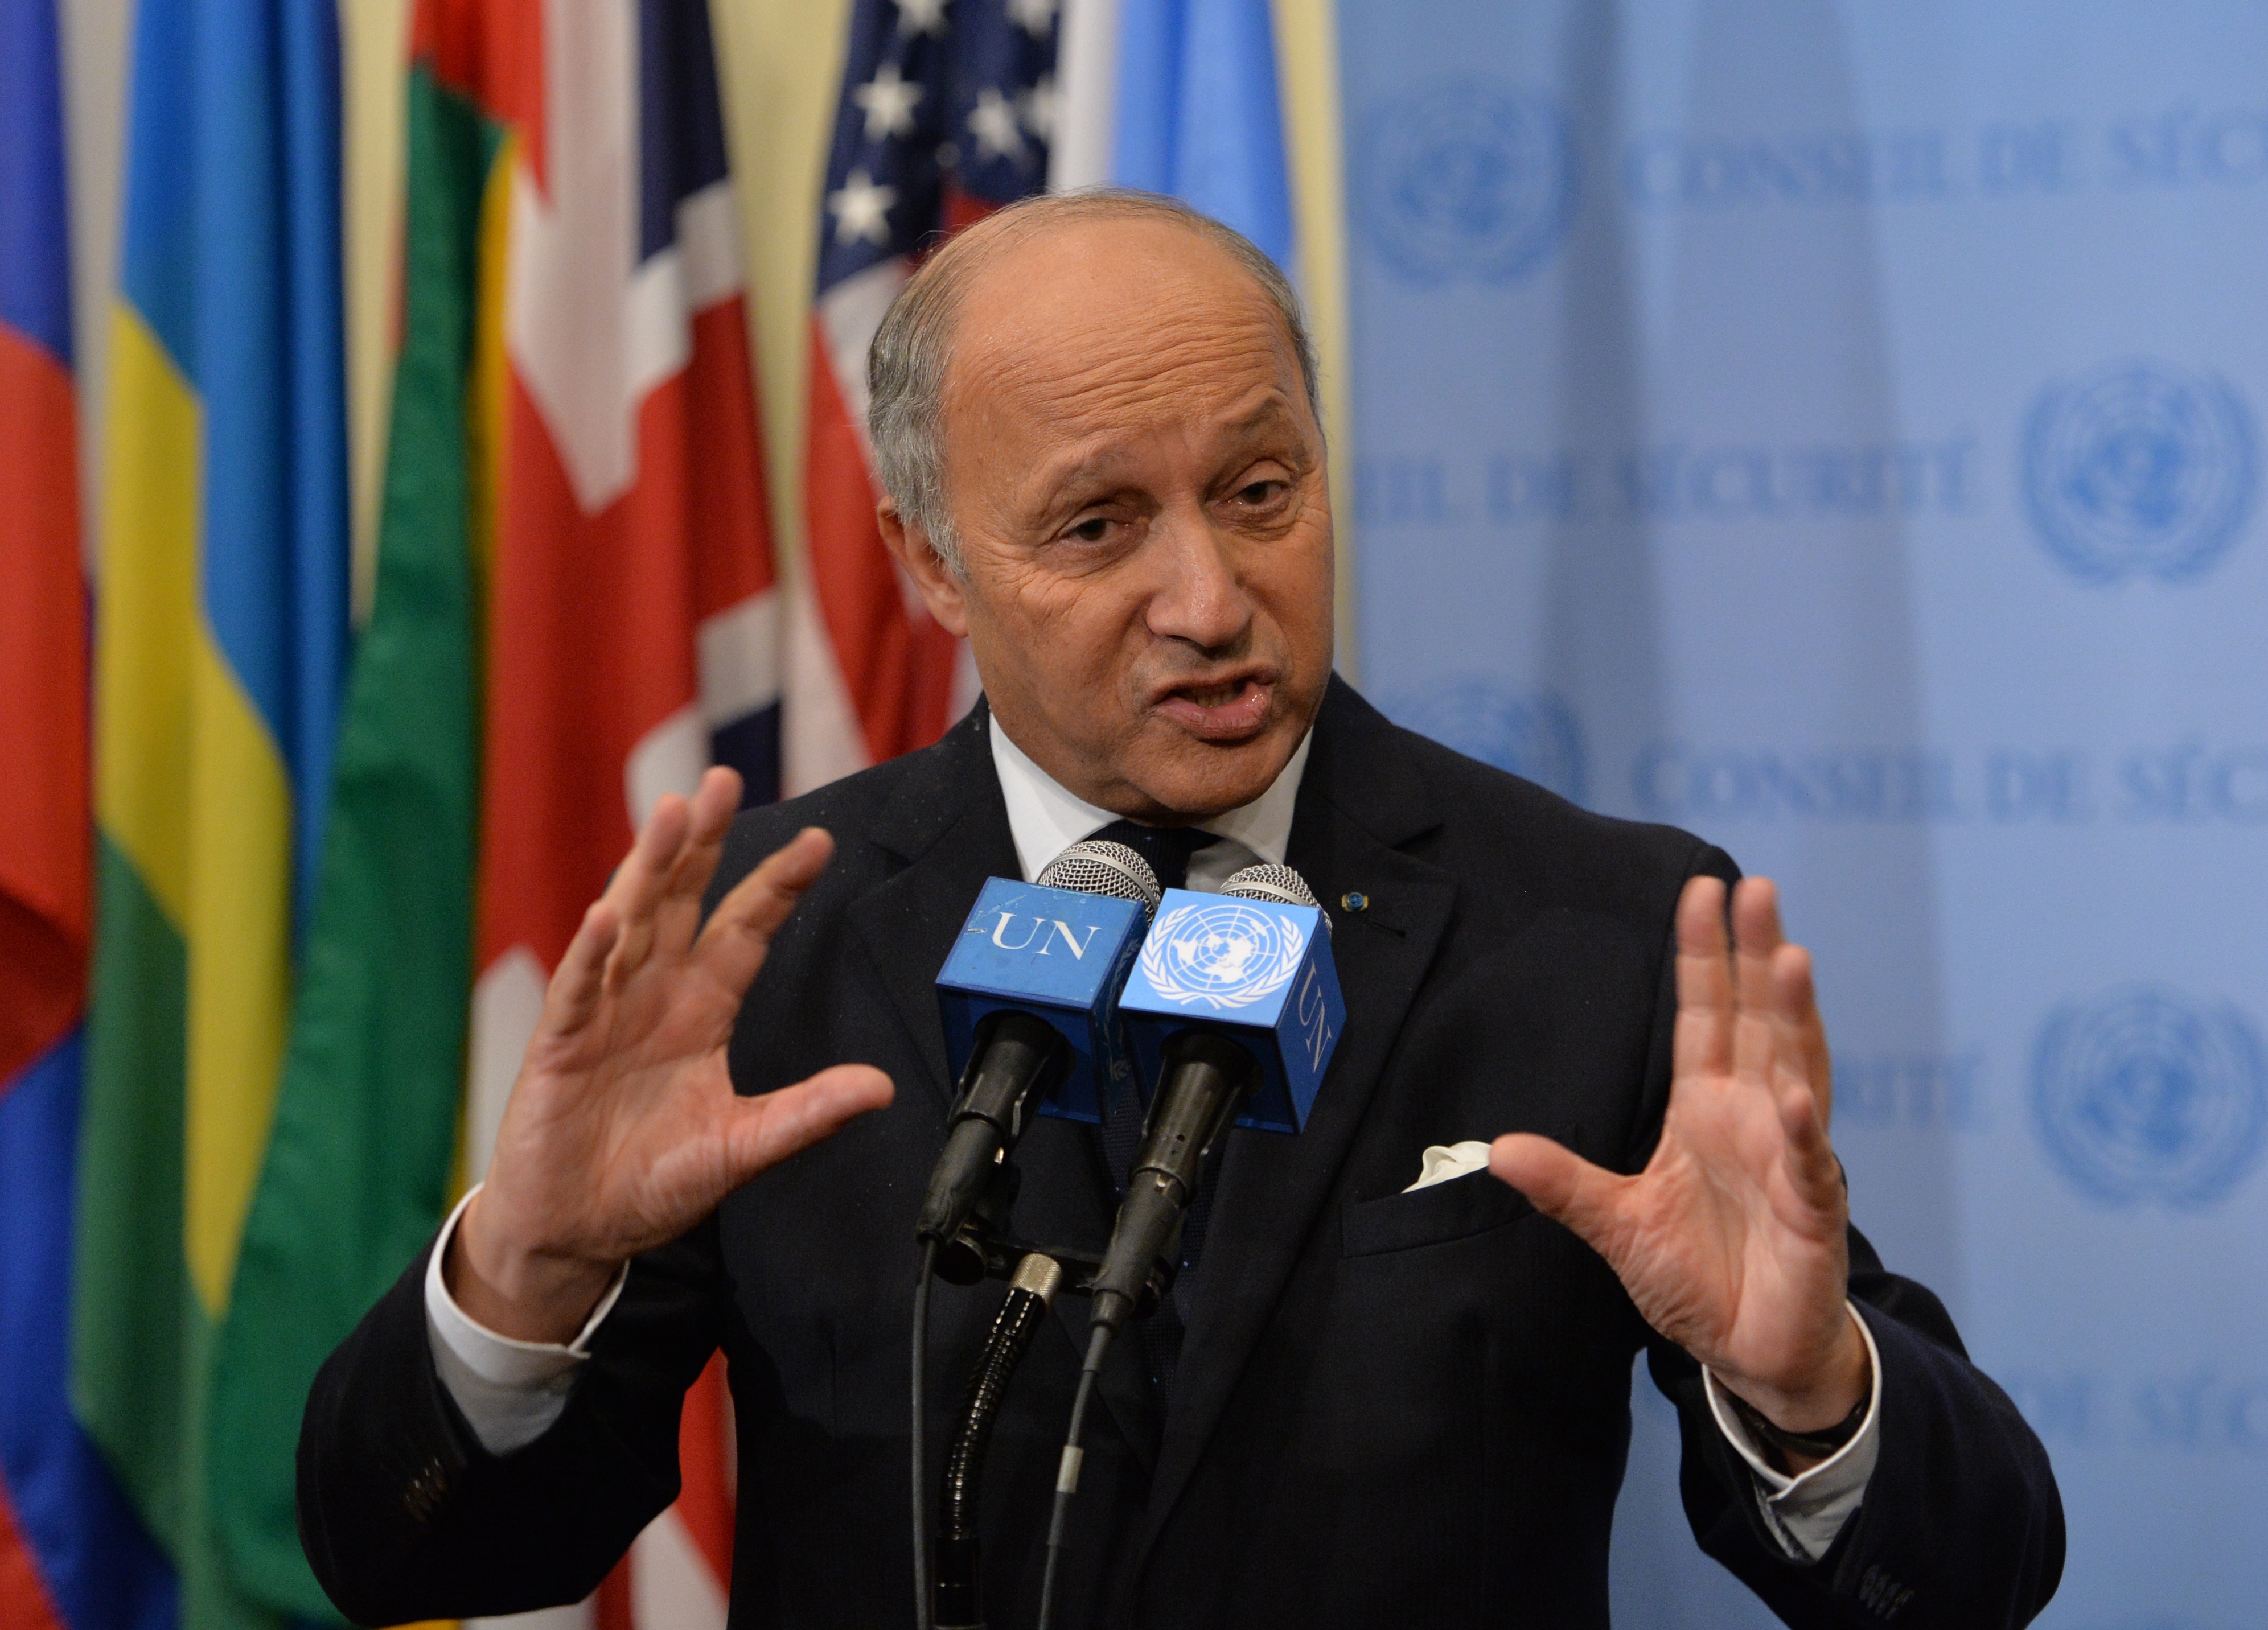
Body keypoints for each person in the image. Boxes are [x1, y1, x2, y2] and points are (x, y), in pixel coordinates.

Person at [298, 191, 2061, 1629]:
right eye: (1098, 526)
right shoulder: (772, 953)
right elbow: (418, 1559)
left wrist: (1811, 1389)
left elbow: (1969, 1582)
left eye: (1260, 492)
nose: (1212, 599)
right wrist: (524, 1282)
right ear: (930, 560)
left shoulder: (1605, 928)